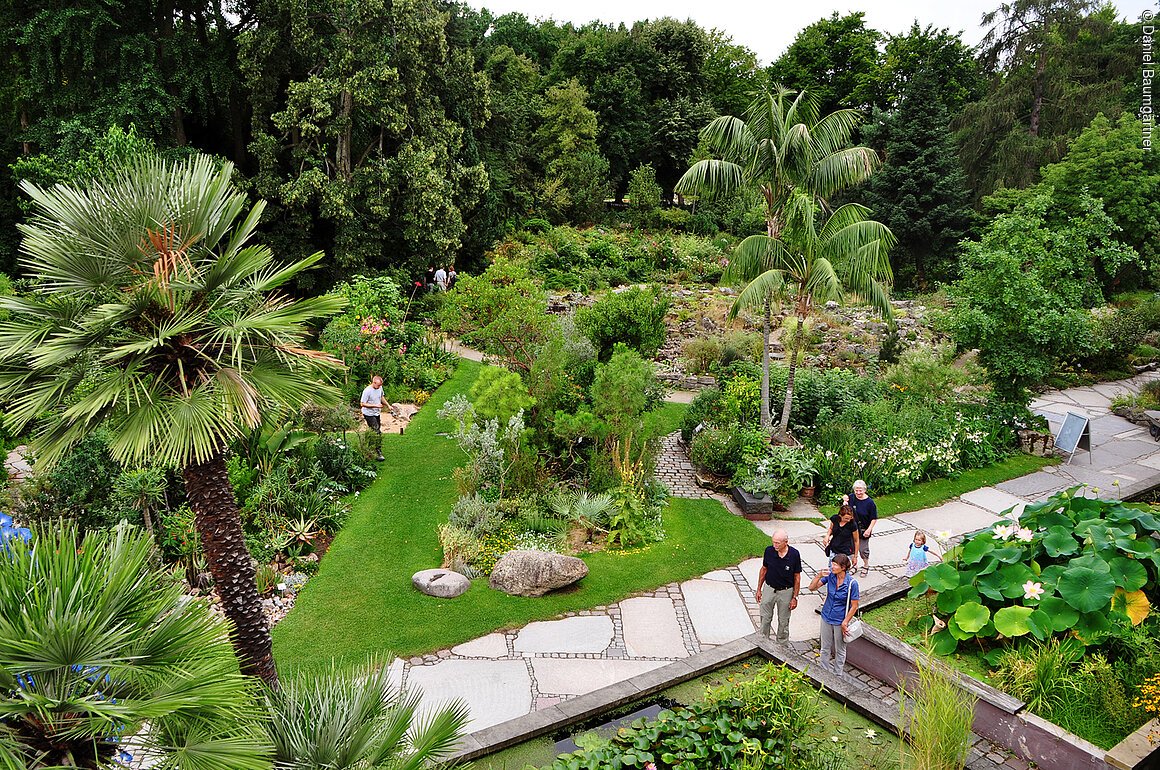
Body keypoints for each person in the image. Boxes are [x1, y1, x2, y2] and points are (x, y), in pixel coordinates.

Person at [809, 553, 860, 679]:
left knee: (840, 649)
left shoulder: (852, 584)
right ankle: (823, 672)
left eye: (835, 564)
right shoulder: (830, 577)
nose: (832, 566)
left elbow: (854, 606)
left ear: (843, 567)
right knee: (825, 647)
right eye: (833, 563)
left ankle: (837, 675)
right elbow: (812, 588)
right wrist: (818, 575)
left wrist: (845, 622)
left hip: (839, 620)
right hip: (826, 616)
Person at [755, 529, 802, 643]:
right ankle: (763, 642)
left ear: (786, 542)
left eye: (777, 543)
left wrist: (795, 597)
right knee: (765, 618)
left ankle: (782, 646)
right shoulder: (769, 551)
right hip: (769, 588)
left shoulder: (794, 554)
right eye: (773, 542)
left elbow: (797, 577)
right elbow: (764, 569)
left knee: (783, 621)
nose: (774, 545)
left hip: (786, 591)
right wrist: (759, 589)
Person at [842, 480, 877, 577]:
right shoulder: (851, 497)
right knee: (852, 549)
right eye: (856, 490)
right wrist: (844, 500)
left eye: (860, 490)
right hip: (852, 529)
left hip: (864, 530)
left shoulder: (870, 503)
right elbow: (846, 509)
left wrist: (869, 530)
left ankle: (866, 565)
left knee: (863, 549)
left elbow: (874, 518)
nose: (858, 493)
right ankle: (855, 565)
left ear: (865, 490)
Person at [360, 375, 392, 461]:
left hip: (376, 413)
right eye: (378, 385)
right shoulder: (367, 391)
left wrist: (388, 405)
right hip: (368, 414)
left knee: (373, 431)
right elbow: (362, 404)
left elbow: (381, 397)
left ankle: (369, 447)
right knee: (377, 431)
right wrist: (375, 405)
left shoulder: (380, 388)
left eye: (380, 385)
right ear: (373, 382)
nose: (379, 387)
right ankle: (378, 452)